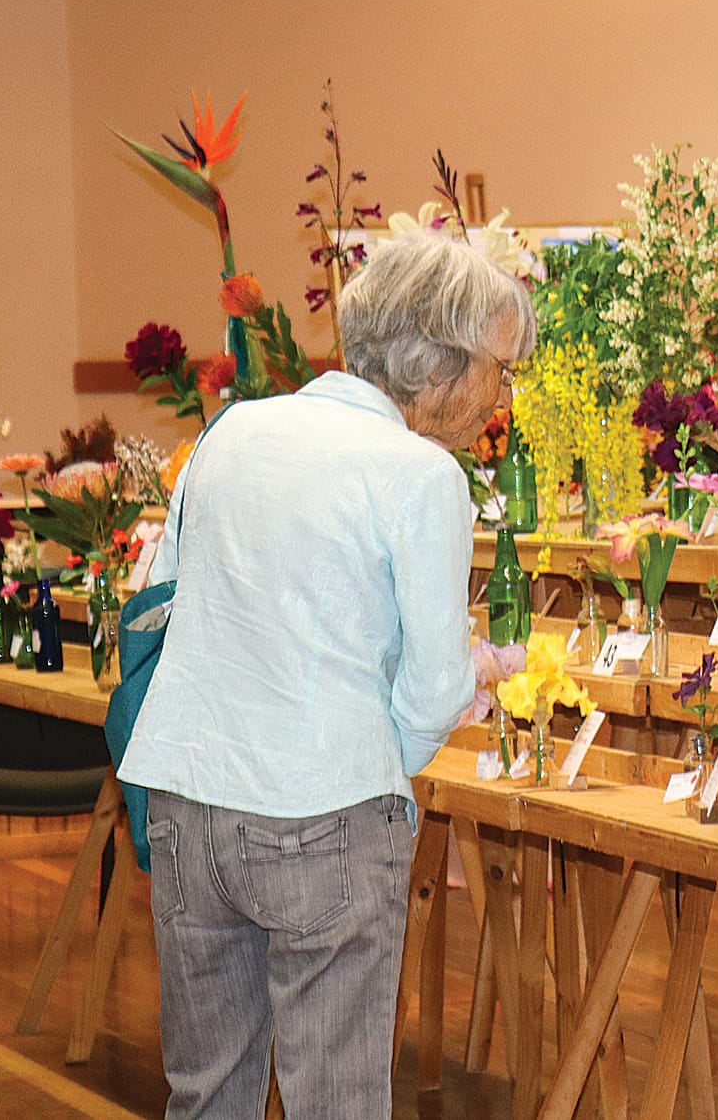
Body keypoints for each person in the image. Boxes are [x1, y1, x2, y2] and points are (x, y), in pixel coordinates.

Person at [119, 230, 534, 1118]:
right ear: (444, 363)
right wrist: (389, 752)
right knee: (335, 1100)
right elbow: (429, 692)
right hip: (327, 809)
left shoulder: (233, 430)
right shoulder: (422, 474)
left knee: (204, 1094)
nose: (502, 395)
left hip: (188, 796)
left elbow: (165, 596)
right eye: (501, 369)